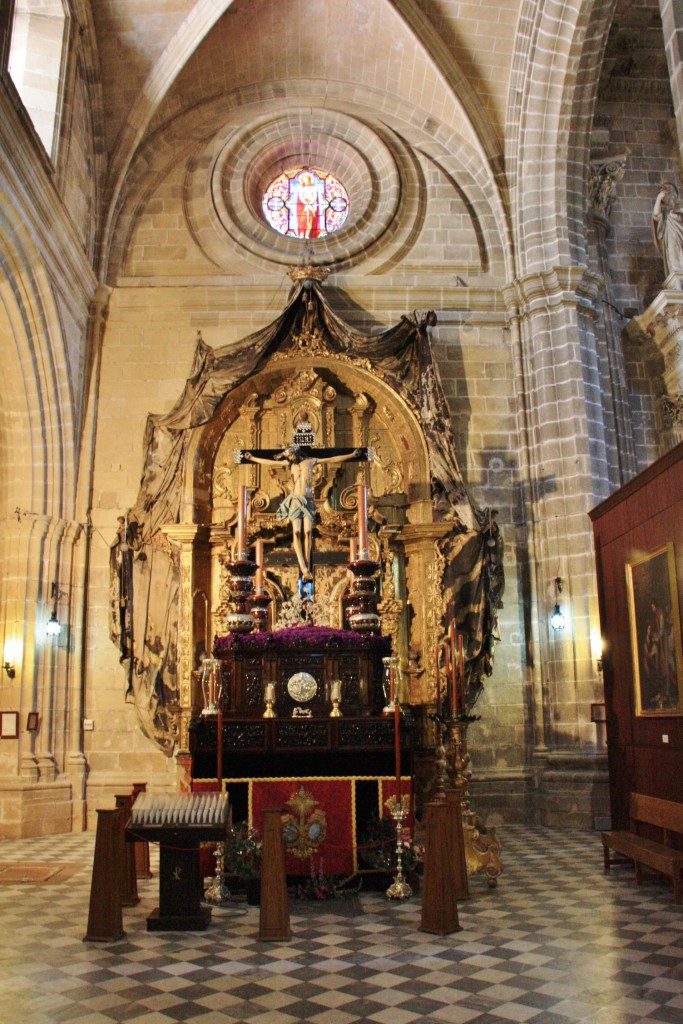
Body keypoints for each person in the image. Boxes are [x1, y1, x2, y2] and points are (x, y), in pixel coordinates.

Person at [238, 444, 365, 581]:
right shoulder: (289, 464)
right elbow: (270, 462)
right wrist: (253, 458)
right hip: (295, 501)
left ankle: (307, 567)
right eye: (289, 457)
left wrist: (352, 455)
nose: (291, 458)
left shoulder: (310, 461)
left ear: (297, 453)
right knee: (297, 533)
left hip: (308, 501)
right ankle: (304, 568)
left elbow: (332, 458)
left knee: (308, 532)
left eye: (292, 455)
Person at [651, 182, 683, 279]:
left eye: (667, 192)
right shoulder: (665, 216)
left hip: (680, 236)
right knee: (674, 253)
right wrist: (658, 199)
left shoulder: (680, 209)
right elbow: (656, 216)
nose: (666, 196)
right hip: (672, 239)